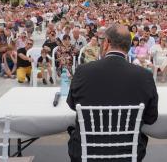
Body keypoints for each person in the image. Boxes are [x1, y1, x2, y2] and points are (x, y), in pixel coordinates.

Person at [67, 24, 158, 162]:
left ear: (107, 43)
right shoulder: (144, 75)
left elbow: (73, 105)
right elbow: (151, 117)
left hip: (87, 152)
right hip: (128, 153)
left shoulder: (82, 71)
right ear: (128, 46)